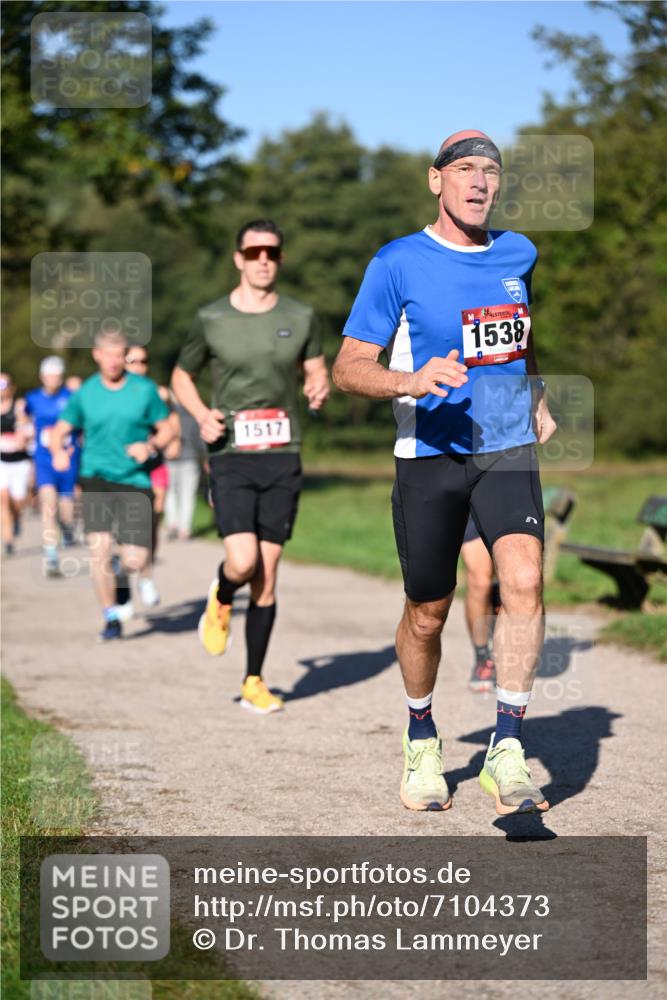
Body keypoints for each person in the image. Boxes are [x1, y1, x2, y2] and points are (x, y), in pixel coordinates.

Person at [333, 130, 557, 815]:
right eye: (464, 169)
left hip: (504, 445)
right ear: (436, 181)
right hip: (428, 454)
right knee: (426, 614)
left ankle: (506, 747)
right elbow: (348, 368)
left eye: (489, 171)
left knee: (522, 579)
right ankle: (421, 736)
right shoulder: (396, 263)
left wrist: (537, 396)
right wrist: (410, 378)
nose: (479, 182)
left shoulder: (518, 252)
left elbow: (517, 335)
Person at [172, 218, 329, 714]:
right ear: (238, 258)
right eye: (254, 251)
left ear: (280, 259)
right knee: (243, 563)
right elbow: (181, 374)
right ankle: (221, 594)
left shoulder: (301, 316)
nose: (264, 259)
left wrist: (318, 386)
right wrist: (201, 416)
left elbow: (315, 367)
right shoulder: (211, 318)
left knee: (268, 575)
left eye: (273, 253)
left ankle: (253, 681)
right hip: (233, 455)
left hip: (283, 455)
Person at [50, 329, 174, 641]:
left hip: (134, 478)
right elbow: (61, 429)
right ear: (97, 355)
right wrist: (57, 452)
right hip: (96, 478)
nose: (114, 361)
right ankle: (110, 616)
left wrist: (151, 447)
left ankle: (122, 571)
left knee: (133, 559)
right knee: (98, 550)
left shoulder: (144, 390)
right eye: (108, 354)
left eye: (120, 355)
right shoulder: (87, 392)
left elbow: (168, 428)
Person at [124, 346, 181, 607]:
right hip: (124, 468)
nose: (138, 366)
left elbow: (172, 422)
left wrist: (172, 440)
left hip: (155, 465)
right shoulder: (113, 393)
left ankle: (146, 575)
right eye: (132, 361)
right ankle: (126, 583)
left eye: (143, 361)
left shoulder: (157, 393)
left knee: (151, 521)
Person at [25, 356, 80, 576]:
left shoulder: (72, 398)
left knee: (66, 509)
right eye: (49, 375)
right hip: (45, 459)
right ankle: (51, 556)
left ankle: (67, 528)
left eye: (57, 375)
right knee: (48, 504)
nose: (53, 379)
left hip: (69, 459)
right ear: (42, 376)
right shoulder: (32, 399)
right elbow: (24, 418)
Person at [461, 514, 499, 693]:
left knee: (514, 582)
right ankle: (482, 656)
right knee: (480, 582)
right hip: (466, 499)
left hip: (502, 495)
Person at [165, 398, 206, 540]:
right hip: (190, 457)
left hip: (169, 458)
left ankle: (172, 524)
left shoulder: (166, 413)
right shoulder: (192, 414)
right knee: (187, 495)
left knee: (170, 493)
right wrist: (205, 457)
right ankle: (184, 529)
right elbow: (199, 439)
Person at [0, 372, 32, 556]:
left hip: (20, 461)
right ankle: (8, 540)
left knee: (17, 502)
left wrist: (23, 433)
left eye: (4, 385)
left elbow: (26, 430)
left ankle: (17, 518)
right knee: (3, 500)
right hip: (1, 461)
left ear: (11, 387)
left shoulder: (19, 407)